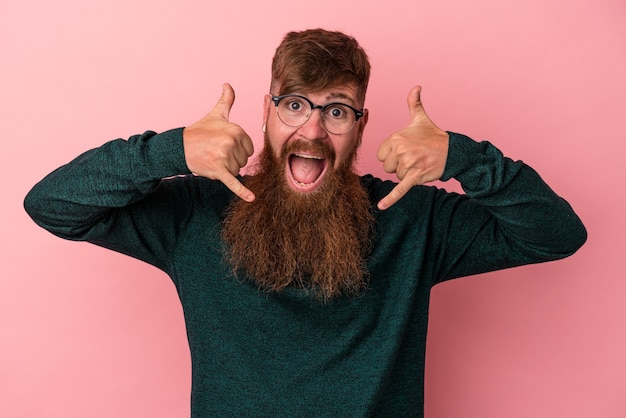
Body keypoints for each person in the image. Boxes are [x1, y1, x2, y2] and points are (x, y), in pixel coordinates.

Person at [24, 28, 586, 417]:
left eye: (336, 110)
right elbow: (52, 204)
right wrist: (169, 151)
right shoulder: (193, 214)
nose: (314, 131)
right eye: (295, 105)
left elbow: (558, 235)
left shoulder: (413, 218)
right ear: (267, 113)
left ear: (360, 126)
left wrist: (465, 159)